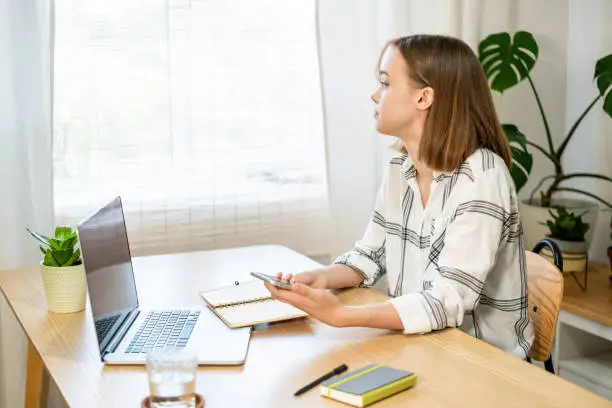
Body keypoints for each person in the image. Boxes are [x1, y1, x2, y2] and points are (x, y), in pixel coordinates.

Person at [265, 34, 533, 358]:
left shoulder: (483, 177)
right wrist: (317, 279)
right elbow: (372, 254)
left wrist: (341, 315)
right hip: (422, 346)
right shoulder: (399, 168)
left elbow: (447, 299)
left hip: (481, 362)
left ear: (424, 97)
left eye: (385, 83)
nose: (375, 95)